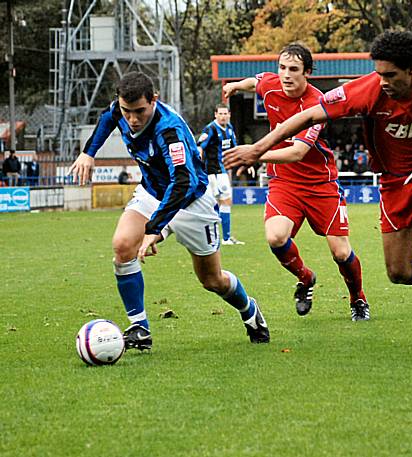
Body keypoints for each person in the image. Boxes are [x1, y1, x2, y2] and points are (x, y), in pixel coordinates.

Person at [225, 31, 412, 356]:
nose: (382, 81)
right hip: (392, 183)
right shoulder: (368, 88)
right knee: (398, 272)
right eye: (379, 73)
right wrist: (258, 148)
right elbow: (310, 114)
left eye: (390, 75)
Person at [69, 71, 269, 351]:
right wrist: (88, 152)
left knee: (212, 280)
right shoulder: (120, 109)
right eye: (128, 112)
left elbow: (183, 182)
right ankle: (139, 328)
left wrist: (154, 229)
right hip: (152, 192)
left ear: (154, 100)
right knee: (122, 246)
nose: (133, 119)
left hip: (192, 202)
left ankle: (250, 310)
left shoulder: (169, 130)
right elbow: (107, 117)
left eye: (140, 111)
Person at [222, 43, 370, 321]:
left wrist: (256, 154)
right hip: (285, 183)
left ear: (307, 73)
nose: (286, 76)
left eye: (293, 70)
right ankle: (306, 278)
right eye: (282, 68)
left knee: (341, 252)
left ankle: (358, 299)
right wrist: (235, 86)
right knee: (276, 237)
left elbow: (297, 152)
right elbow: (257, 82)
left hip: (320, 184)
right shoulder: (273, 84)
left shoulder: (317, 104)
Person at [197, 104, 244, 245]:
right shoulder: (210, 129)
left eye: (225, 113)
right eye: (221, 114)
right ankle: (218, 237)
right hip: (212, 172)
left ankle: (224, 237)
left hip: (222, 171)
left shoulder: (229, 129)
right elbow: (199, 146)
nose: (223, 116)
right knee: (216, 203)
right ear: (215, 115)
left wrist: (242, 163)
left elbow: (235, 149)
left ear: (229, 115)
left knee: (223, 202)